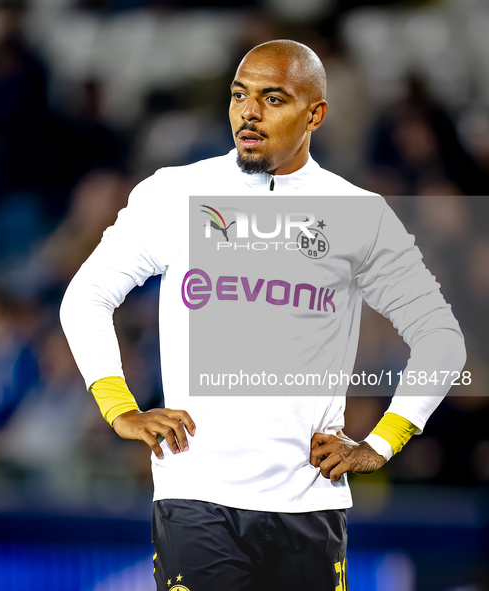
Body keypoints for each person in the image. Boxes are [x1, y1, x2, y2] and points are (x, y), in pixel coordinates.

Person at [60, 40, 466, 590]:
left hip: (309, 505)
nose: (248, 113)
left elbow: (441, 337)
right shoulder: (174, 193)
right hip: (197, 499)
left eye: (273, 98)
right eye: (239, 96)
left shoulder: (359, 216)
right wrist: (118, 406)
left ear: (315, 114)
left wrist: (383, 441)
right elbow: (86, 296)